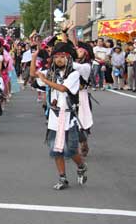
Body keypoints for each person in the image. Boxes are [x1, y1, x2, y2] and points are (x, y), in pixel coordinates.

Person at [30, 42, 87, 190]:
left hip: (69, 117)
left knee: (71, 150)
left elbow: (63, 88)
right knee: (56, 149)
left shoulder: (74, 74)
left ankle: (81, 165)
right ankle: (63, 178)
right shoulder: (51, 74)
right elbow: (33, 75)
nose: (59, 60)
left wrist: (45, 79)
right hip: (55, 117)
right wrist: (34, 57)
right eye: (56, 57)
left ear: (69, 59)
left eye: (63, 57)